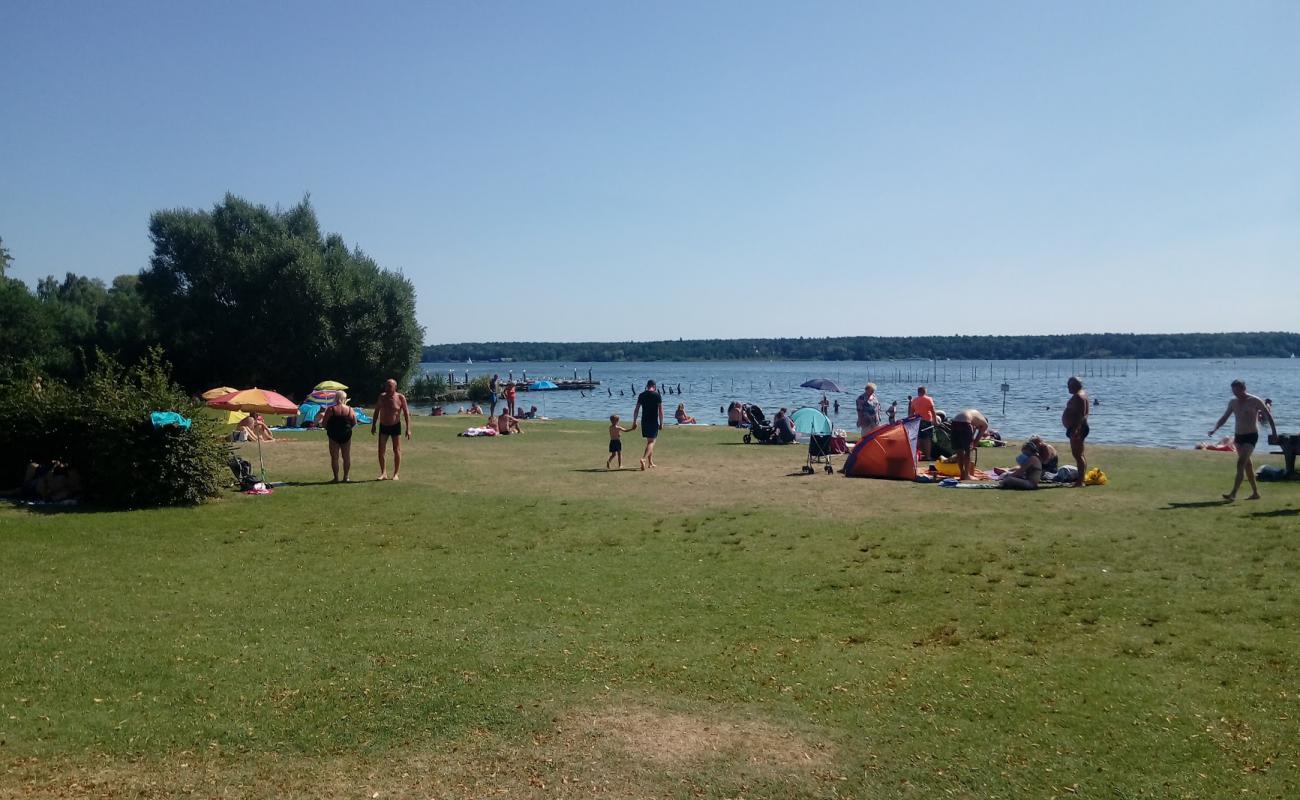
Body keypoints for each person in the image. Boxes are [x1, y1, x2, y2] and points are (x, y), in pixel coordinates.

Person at [1209, 379, 1278, 501]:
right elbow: (1224, 417)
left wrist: (1274, 433)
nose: (1235, 393)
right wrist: (1214, 429)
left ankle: (1233, 494)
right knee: (1247, 465)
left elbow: (1269, 416)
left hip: (1251, 436)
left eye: (1237, 390)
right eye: (1233, 391)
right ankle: (1255, 493)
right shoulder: (1233, 402)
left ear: (1243, 389)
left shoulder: (1255, 401)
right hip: (1238, 436)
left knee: (1241, 463)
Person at [371, 378, 411, 480]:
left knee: (396, 450)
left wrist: (408, 428)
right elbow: (376, 411)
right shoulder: (382, 397)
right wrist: (374, 424)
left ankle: (396, 474)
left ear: (395, 387)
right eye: (386, 386)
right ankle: (383, 473)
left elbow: (406, 413)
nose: (387, 388)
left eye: (390, 386)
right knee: (381, 450)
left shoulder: (400, 397)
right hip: (383, 426)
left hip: (395, 426)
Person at [321, 390, 358, 482]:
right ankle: (346, 477)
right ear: (344, 399)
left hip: (333, 435)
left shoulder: (331, 409)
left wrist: (329, 429)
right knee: (346, 457)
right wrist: (347, 429)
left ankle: (336, 478)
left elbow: (324, 424)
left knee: (334, 457)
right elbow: (354, 422)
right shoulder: (349, 409)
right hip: (346, 435)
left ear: (336, 398)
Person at [1062, 377, 1090, 487]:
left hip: (1077, 428)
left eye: (1069, 385)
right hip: (1076, 427)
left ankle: (1080, 481)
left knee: (1078, 455)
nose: (1068, 387)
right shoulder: (1081, 394)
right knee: (1079, 454)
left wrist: (1076, 429)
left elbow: (1081, 415)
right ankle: (1081, 479)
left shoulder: (1079, 396)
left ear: (1075, 385)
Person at [949, 408, 989, 481]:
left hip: (954, 423)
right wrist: (973, 444)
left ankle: (962, 474)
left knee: (959, 452)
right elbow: (976, 439)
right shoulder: (985, 424)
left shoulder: (974, 416)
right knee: (967, 452)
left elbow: (972, 432)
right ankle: (967, 476)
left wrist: (971, 441)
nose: (977, 429)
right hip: (965, 424)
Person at [632, 379, 664, 470]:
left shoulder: (641, 395)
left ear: (647, 386)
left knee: (649, 441)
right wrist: (661, 423)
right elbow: (661, 411)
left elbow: (636, 409)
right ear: (654, 386)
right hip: (653, 421)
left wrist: (634, 421)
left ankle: (650, 462)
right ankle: (643, 459)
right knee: (652, 442)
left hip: (644, 421)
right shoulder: (657, 395)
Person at [909, 387, 936, 459]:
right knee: (927, 439)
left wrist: (911, 423)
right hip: (927, 421)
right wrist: (935, 420)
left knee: (919, 438)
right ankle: (928, 456)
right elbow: (932, 411)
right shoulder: (928, 399)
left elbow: (911, 413)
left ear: (918, 392)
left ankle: (919, 456)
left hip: (917, 421)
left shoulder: (914, 400)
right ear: (925, 391)